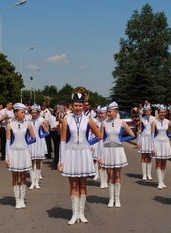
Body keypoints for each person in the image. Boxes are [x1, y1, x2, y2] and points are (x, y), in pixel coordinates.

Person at [58, 87, 102, 225]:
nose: (78, 108)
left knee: (83, 184)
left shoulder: (89, 120)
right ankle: (74, 213)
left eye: (80, 105)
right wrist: (61, 160)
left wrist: (88, 144)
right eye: (75, 105)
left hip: (84, 154)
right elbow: (63, 141)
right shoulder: (66, 119)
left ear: (84, 105)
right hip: (70, 153)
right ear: (72, 106)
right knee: (73, 185)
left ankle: (81, 213)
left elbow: (99, 136)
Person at [100, 101, 135, 208]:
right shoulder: (104, 123)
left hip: (117, 150)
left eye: (110, 111)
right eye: (107, 112)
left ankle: (117, 198)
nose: (108, 113)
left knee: (117, 175)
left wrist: (121, 139)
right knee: (110, 175)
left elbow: (132, 135)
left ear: (116, 111)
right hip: (107, 150)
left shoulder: (121, 122)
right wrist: (100, 155)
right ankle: (111, 199)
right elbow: (101, 138)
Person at [5, 103, 36, 209]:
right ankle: (17, 199)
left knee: (23, 176)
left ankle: (22, 199)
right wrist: (7, 157)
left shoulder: (28, 124)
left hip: (24, 152)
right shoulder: (9, 125)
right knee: (15, 176)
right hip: (13, 152)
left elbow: (33, 137)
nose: (24, 114)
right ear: (16, 113)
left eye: (24, 112)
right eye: (22, 112)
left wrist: (26, 143)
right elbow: (8, 142)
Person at [151, 104, 171, 189]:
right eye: (161, 112)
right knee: (158, 162)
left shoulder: (168, 121)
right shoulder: (154, 122)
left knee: (164, 163)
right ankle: (159, 181)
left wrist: (170, 136)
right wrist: (152, 147)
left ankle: (162, 181)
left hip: (165, 143)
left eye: (164, 112)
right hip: (157, 142)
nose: (162, 114)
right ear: (158, 112)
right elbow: (152, 135)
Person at [28, 104, 49, 190]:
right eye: (32, 112)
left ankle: (37, 181)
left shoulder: (40, 122)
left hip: (38, 143)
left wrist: (41, 135)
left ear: (38, 113)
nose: (33, 114)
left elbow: (47, 131)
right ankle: (32, 181)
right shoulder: (28, 122)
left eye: (35, 113)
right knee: (32, 162)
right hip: (31, 143)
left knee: (38, 162)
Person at [137, 104, 155, 180]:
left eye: (148, 111)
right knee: (143, 156)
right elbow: (140, 130)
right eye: (145, 112)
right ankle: (144, 174)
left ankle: (149, 174)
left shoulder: (154, 119)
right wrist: (138, 141)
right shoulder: (142, 119)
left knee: (150, 156)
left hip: (150, 138)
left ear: (150, 111)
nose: (146, 113)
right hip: (144, 138)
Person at [92, 105, 108, 188]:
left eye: (102, 113)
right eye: (99, 113)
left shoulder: (109, 121)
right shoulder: (95, 121)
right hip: (99, 143)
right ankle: (102, 181)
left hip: (108, 144)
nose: (101, 115)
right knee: (99, 161)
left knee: (106, 163)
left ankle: (106, 180)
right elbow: (92, 133)